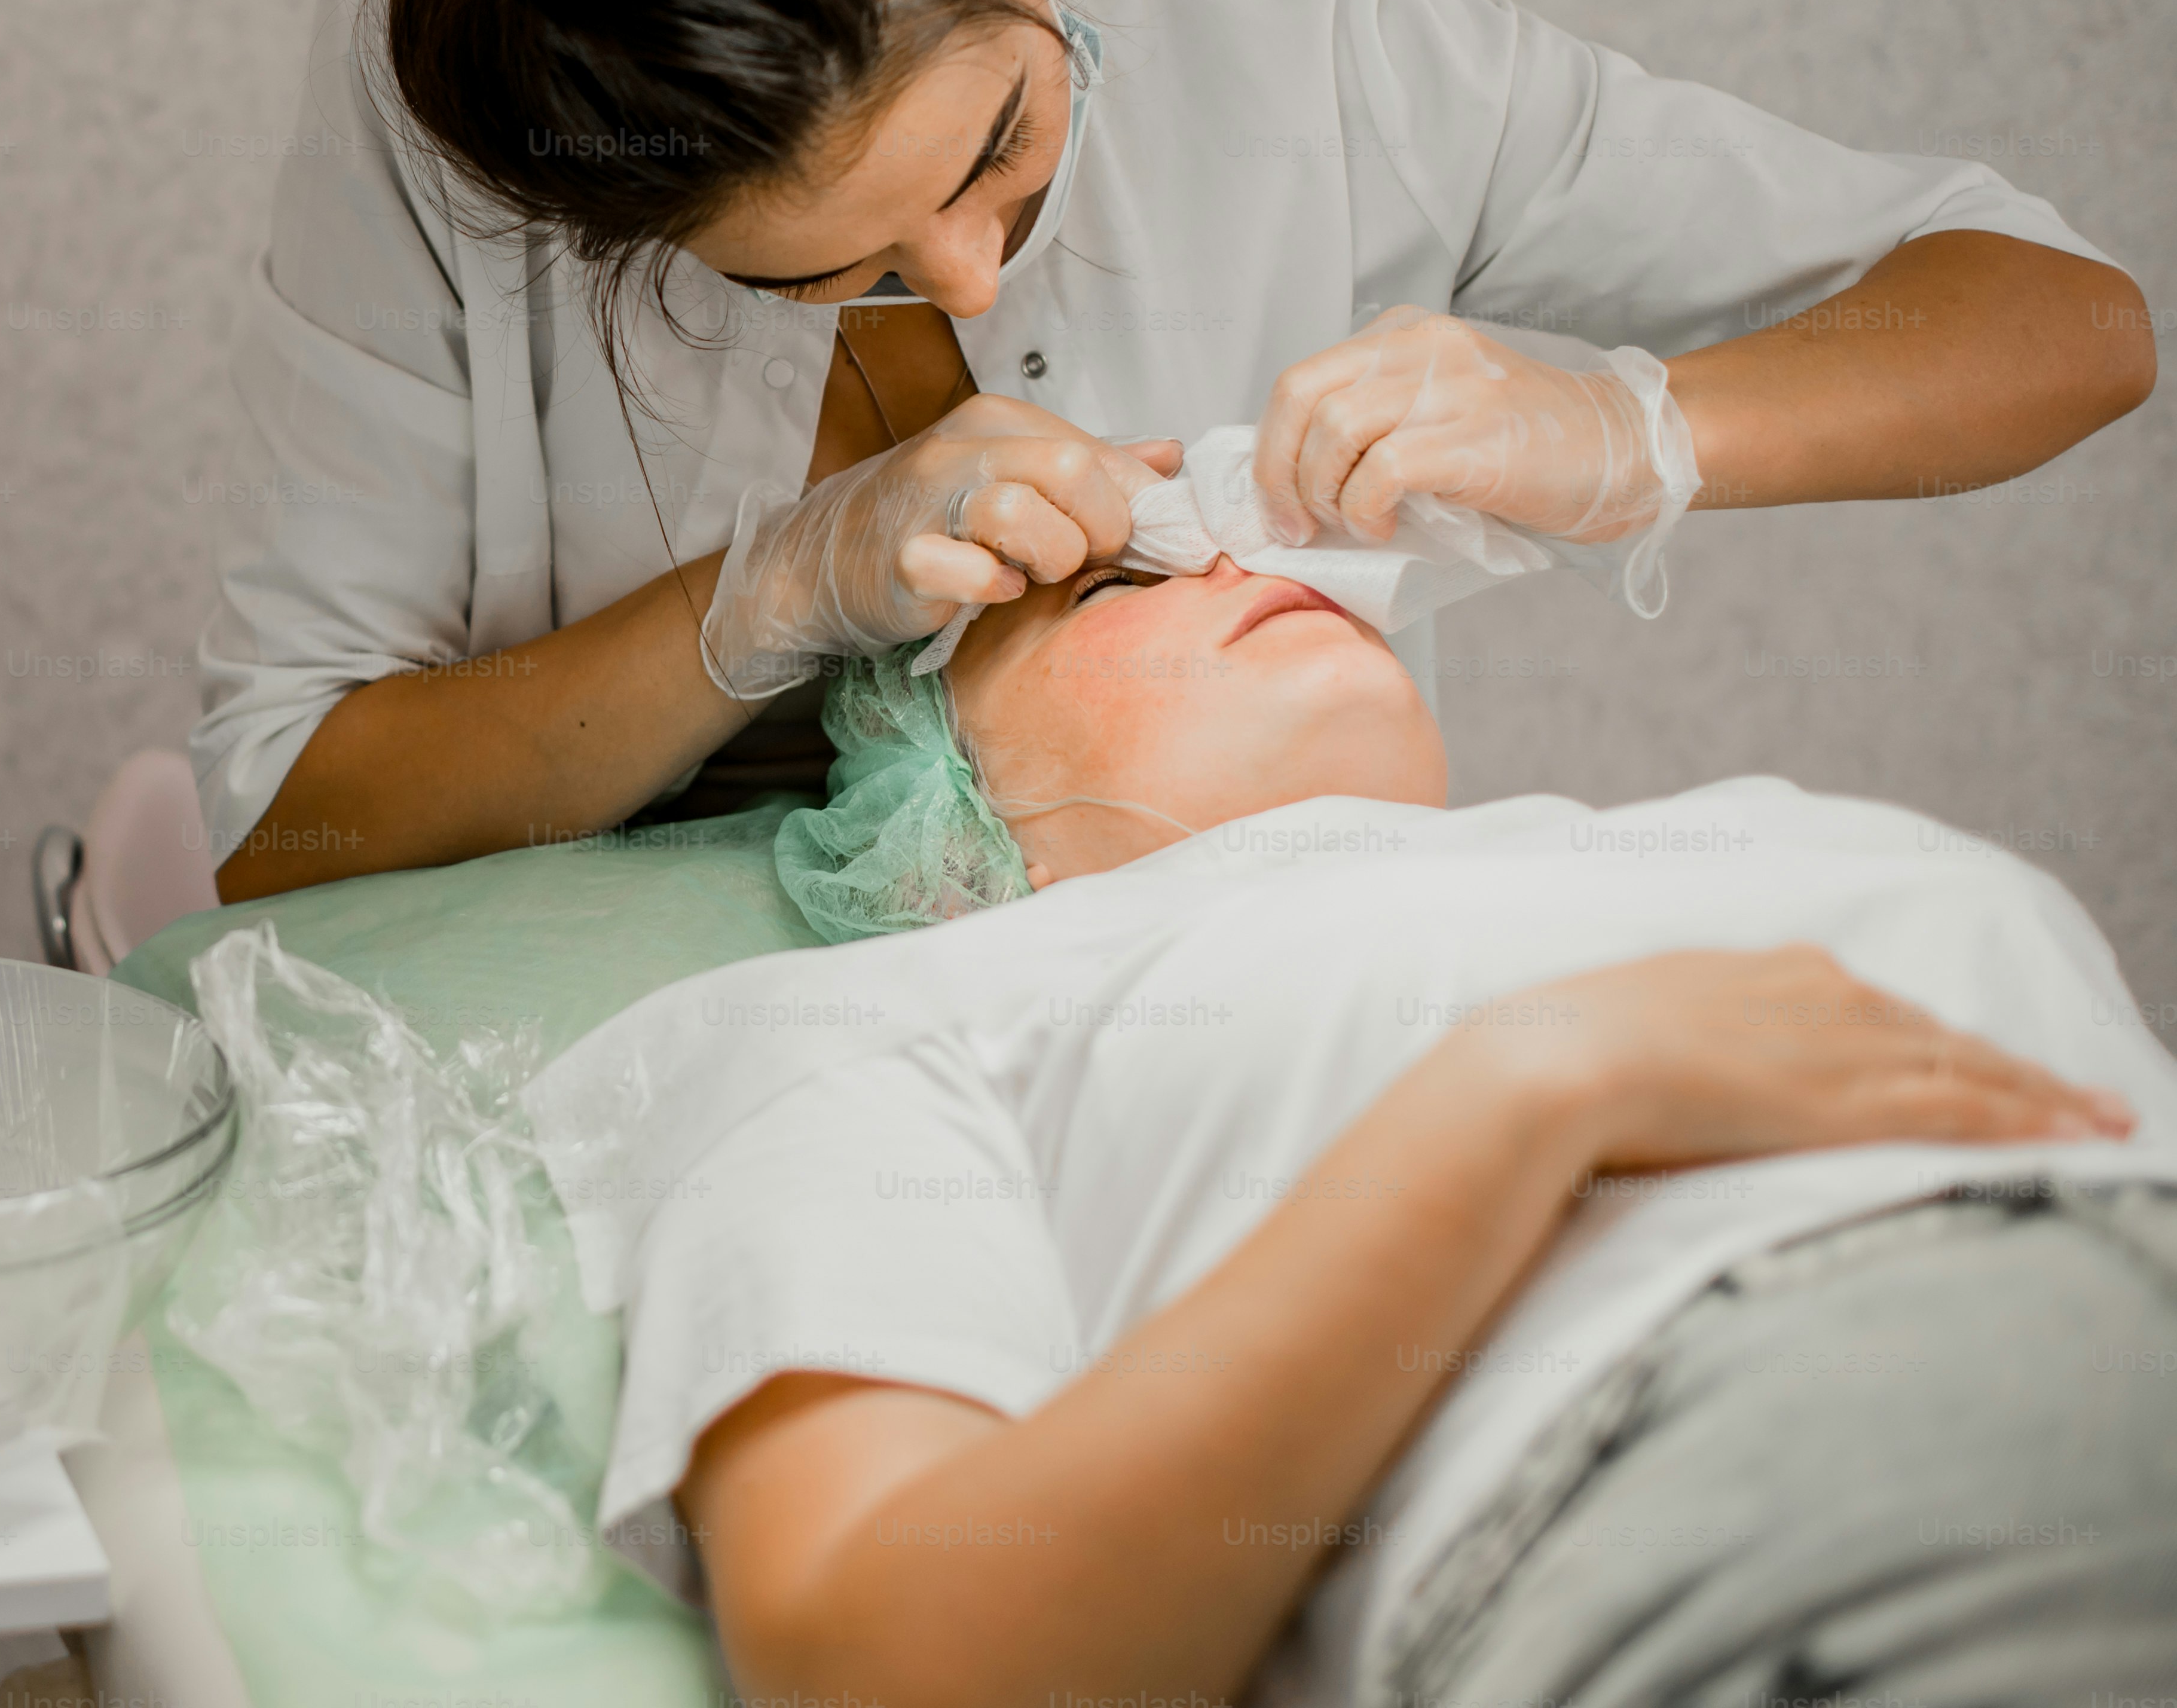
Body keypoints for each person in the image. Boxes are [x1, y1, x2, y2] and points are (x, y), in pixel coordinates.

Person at [192, 0, 2155, 904]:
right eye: (813, 274)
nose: (965, 281)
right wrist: (765, 594)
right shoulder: (464, 125)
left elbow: (2063, 321)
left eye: (1007, 146)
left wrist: (1631, 431)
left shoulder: (1306, 52)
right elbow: (292, 825)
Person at [513, 561, 2177, 1706]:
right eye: (1115, 585)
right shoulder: (899, 1016)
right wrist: (1533, 1095)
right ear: (936, 804)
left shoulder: (1718, 833)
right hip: (1780, 1504)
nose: (1244, 553)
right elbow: (894, 1654)